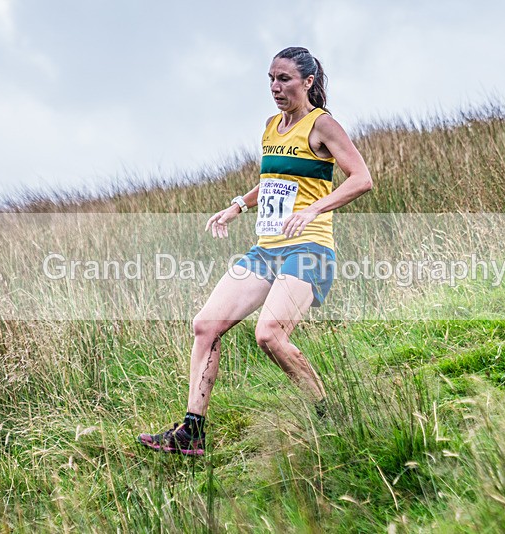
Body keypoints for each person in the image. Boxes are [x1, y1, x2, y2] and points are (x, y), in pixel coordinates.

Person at [137, 46, 373, 456]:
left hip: (310, 248)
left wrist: (314, 208)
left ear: (308, 82)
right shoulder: (270, 126)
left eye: (284, 79)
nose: (275, 87)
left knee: (269, 335)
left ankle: (329, 414)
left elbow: (361, 179)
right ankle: (192, 433)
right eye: (270, 79)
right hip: (267, 250)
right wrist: (238, 206)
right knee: (205, 325)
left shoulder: (324, 125)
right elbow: (276, 179)